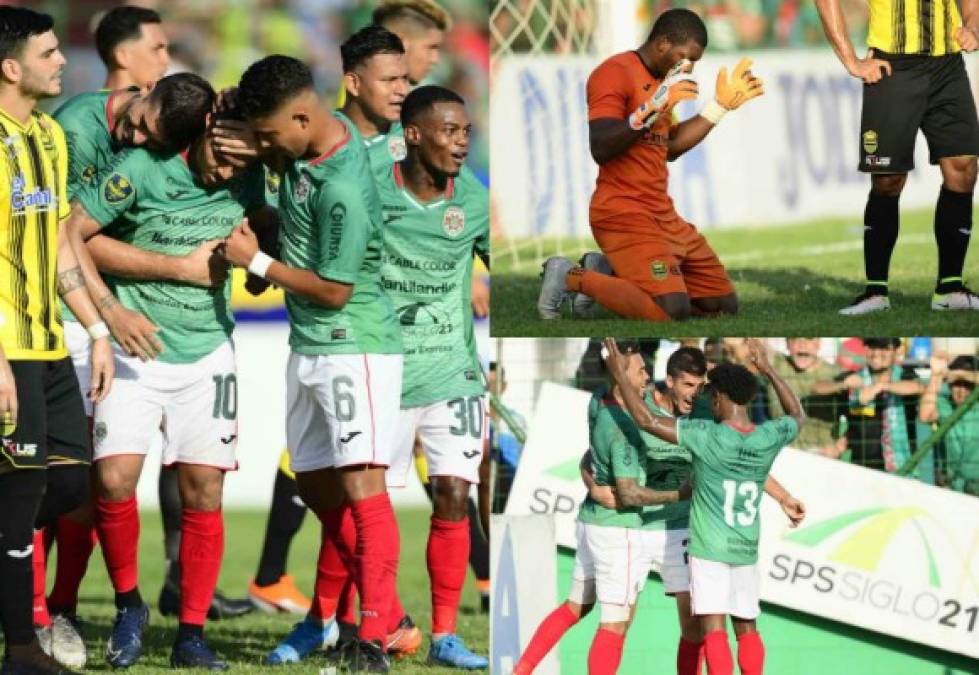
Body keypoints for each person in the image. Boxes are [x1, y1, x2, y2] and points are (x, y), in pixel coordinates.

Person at [63, 83, 280, 670]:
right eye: (220, 156)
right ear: (203, 129)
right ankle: (129, 605)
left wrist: (260, 265)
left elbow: (264, 224)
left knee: (204, 490)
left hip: (208, 352)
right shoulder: (142, 166)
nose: (226, 171)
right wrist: (113, 310)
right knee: (110, 481)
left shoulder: (249, 172)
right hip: (136, 347)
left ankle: (190, 633)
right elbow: (70, 233)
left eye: (239, 162)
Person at [232, 54, 404, 673]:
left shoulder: (344, 188)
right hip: (307, 344)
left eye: (270, 134)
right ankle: (373, 612)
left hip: (352, 344)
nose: (263, 145)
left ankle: (375, 632)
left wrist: (255, 264)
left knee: (364, 489)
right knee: (313, 484)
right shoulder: (305, 152)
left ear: (303, 116)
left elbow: (335, 288)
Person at [0, 6, 114, 674]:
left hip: (50, 345)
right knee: (20, 496)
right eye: (49, 53)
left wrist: (96, 329)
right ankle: (20, 649)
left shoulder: (48, 136)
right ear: (11, 67)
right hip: (9, 348)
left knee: (69, 487)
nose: (63, 61)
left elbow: (57, 247)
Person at [583, 345, 806, 675]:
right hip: (745, 549)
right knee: (748, 630)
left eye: (710, 394)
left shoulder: (706, 435)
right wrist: (770, 371)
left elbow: (646, 420)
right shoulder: (768, 436)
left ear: (719, 398)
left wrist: (618, 373)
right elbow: (797, 414)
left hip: (708, 549)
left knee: (713, 631)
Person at [537, 8, 762, 322]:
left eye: (695, 61)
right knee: (671, 311)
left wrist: (718, 107)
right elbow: (601, 147)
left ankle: (607, 269)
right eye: (685, 57)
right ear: (663, 43)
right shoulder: (614, 72)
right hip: (622, 212)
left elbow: (668, 147)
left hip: (661, 213)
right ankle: (569, 276)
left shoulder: (662, 82)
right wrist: (651, 109)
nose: (689, 67)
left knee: (721, 305)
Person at [375, 84, 489, 669]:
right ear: (412, 135)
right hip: (385, 372)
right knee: (372, 507)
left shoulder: (473, 200)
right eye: (449, 131)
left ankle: (445, 635)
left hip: (454, 373)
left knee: (454, 494)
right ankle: (388, 618)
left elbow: (508, 270)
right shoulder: (374, 191)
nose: (461, 143)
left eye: (466, 131)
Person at [514, 342, 690, 675]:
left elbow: (589, 455)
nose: (646, 376)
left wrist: (591, 482)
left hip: (590, 520)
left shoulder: (598, 400)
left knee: (575, 606)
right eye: (640, 371)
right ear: (621, 376)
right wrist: (676, 495)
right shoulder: (624, 429)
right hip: (617, 529)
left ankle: (520, 670)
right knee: (614, 625)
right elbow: (628, 494)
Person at [814, 0, 979, 314]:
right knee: (888, 179)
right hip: (893, 67)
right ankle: (876, 292)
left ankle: (950, 288)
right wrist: (851, 59)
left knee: (964, 167)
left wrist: (972, 26)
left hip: (948, 67)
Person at [812, 338, 924, 473]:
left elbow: (920, 387)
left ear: (897, 351)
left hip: (902, 465)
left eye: (884, 349)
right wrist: (844, 384)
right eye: (872, 348)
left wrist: (880, 386)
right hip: (863, 465)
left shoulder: (904, 375)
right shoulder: (856, 377)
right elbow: (816, 387)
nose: (876, 353)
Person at [919, 352, 979, 495]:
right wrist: (936, 375)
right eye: (957, 384)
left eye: (968, 385)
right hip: (953, 488)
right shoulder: (945, 405)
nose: (961, 390)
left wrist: (961, 375)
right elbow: (925, 416)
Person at [766, 338, 839, 453]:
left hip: (821, 454)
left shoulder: (835, 374)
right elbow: (752, 345)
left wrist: (840, 446)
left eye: (809, 339)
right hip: (782, 451)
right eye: (795, 339)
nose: (802, 345)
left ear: (818, 343)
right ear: (787, 343)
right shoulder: (776, 364)